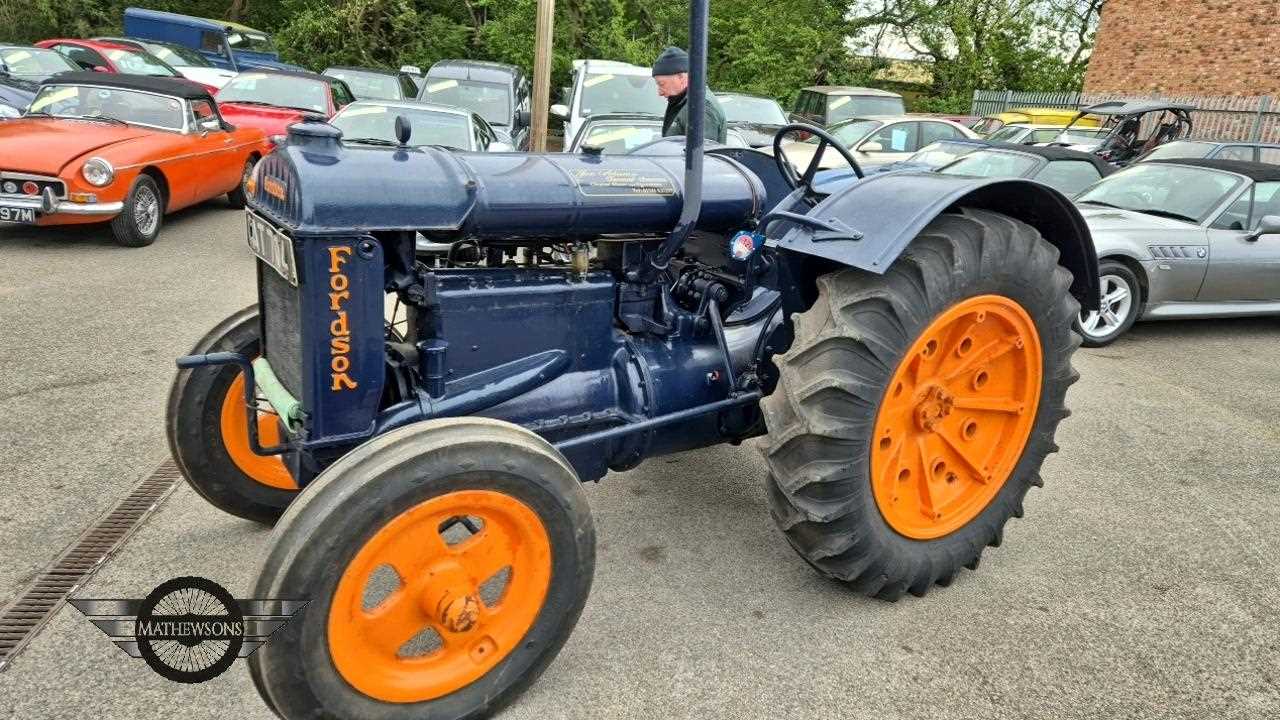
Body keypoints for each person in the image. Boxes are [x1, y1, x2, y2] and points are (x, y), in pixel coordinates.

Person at [651, 46, 726, 143]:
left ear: (681, 77)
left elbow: (700, 155)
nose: (659, 92)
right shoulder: (683, 102)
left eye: (661, 84)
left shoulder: (701, 107)